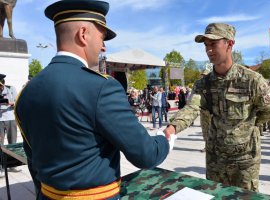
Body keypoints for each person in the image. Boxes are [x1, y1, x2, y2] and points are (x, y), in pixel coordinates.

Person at [14, 1, 170, 199]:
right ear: (83, 34)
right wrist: (166, 139)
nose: (103, 47)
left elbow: (33, 161)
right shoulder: (102, 87)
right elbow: (146, 154)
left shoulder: (26, 93)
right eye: (102, 38)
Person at [164, 23, 270, 192]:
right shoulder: (204, 83)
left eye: (213, 44)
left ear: (230, 43)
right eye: (206, 45)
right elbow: (192, 107)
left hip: (244, 159)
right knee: (216, 195)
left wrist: (246, 127)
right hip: (216, 159)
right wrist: (173, 127)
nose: (209, 50)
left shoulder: (251, 80)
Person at [0, 74, 20, 177]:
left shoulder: (11, 88)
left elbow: (18, 101)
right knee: (0, 144)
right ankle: (1, 167)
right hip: (0, 119)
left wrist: (11, 103)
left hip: (10, 118)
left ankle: (12, 164)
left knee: (12, 142)